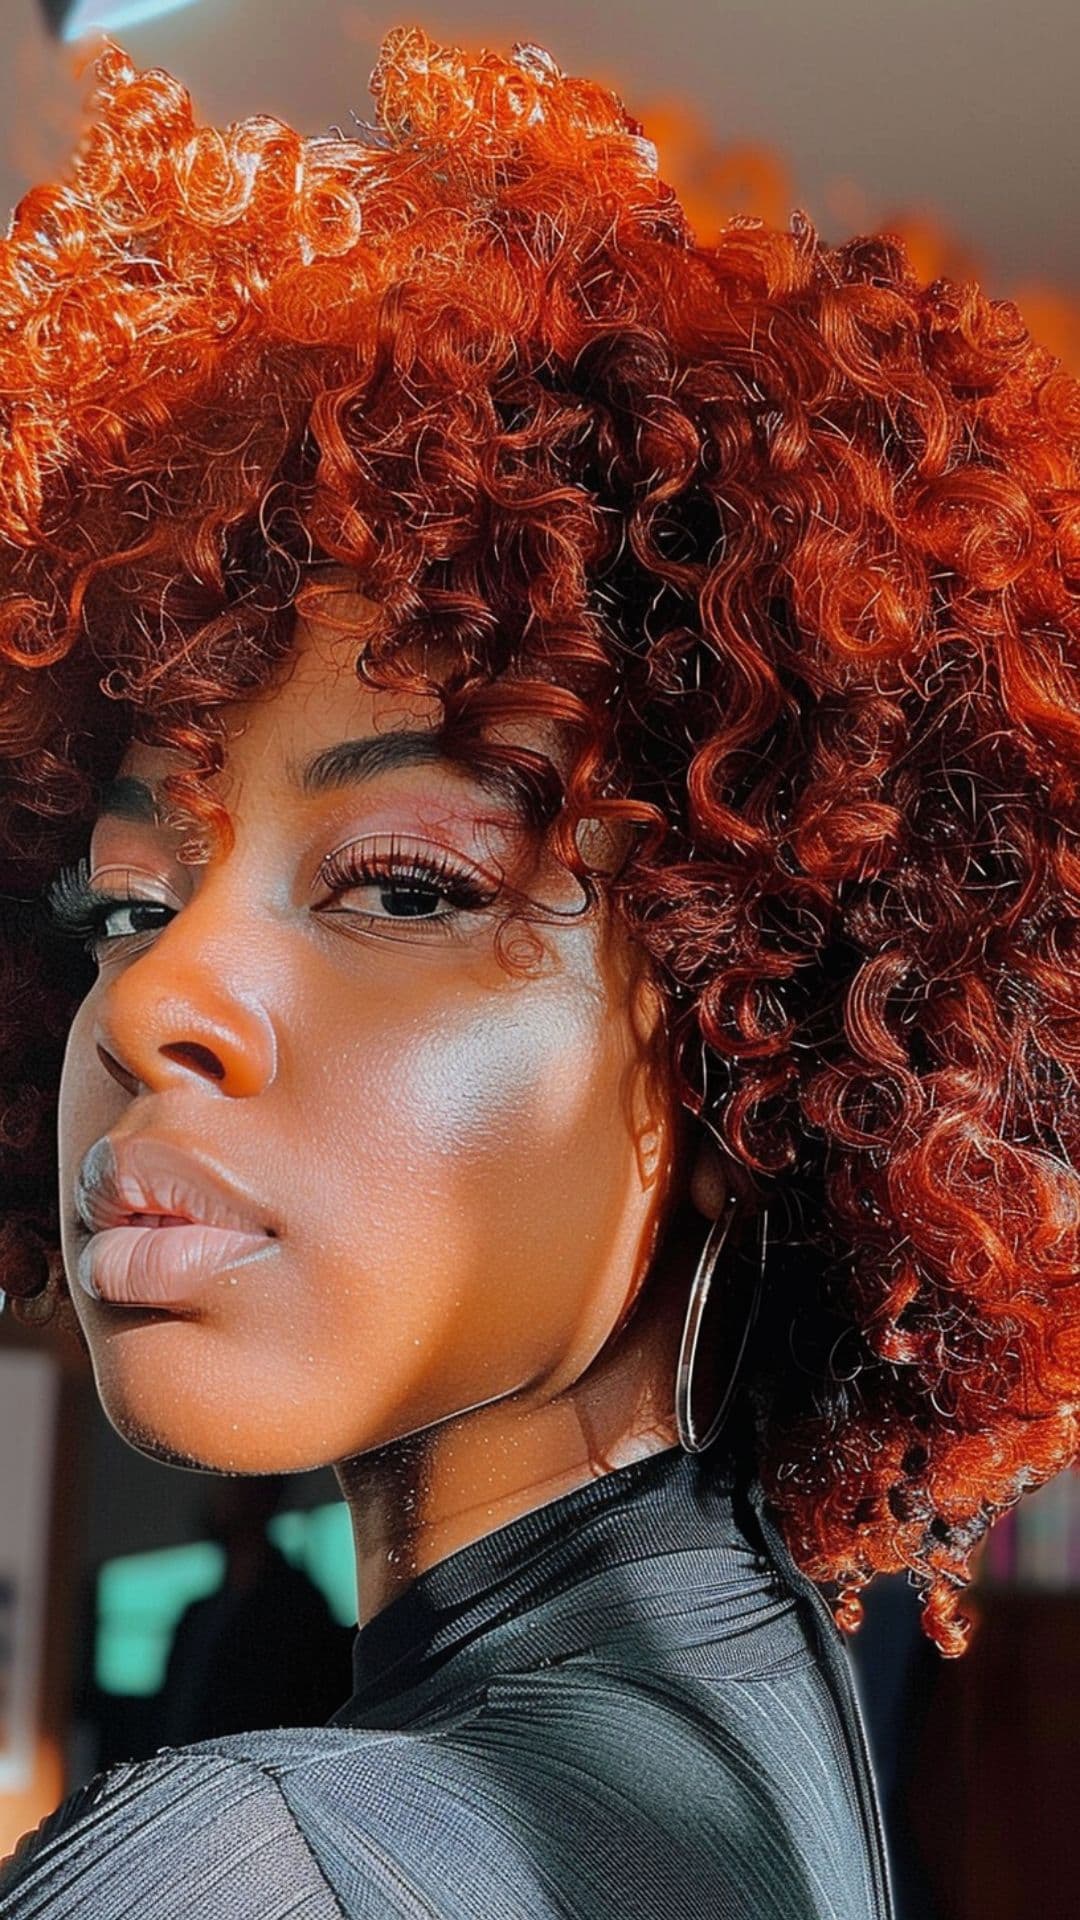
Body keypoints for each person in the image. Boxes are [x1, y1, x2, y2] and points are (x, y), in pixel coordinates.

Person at [0, 21, 1077, 1916]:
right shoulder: (776, 1730)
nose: (155, 1002)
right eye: (125, 906)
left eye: (407, 887)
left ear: (758, 1050)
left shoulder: (260, 1869)